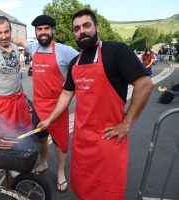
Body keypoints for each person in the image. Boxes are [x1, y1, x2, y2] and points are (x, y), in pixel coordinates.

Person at [37, 9, 153, 199]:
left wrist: (126, 124)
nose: (82, 31)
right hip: (83, 140)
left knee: (107, 193)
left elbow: (145, 85)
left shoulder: (117, 51)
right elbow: (66, 94)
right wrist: (49, 119)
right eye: (76, 28)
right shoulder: (75, 62)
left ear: (96, 27)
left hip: (109, 140)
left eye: (86, 26)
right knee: (83, 189)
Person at [11, 15, 78, 192]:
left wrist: (71, 81)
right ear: (36, 32)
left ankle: (61, 173)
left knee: (60, 143)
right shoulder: (33, 47)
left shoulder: (65, 51)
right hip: (38, 106)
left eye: (46, 29)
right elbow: (19, 40)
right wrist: (3, 36)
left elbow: (82, 64)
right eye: (39, 29)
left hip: (58, 107)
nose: (43, 32)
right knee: (41, 138)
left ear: (53, 30)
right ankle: (43, 164)